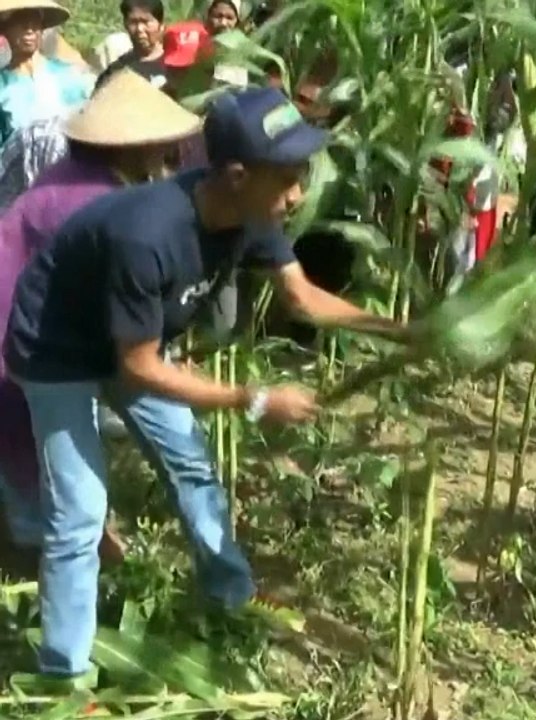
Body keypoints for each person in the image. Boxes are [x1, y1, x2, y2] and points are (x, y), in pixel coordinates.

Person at [3, 85, 409, 690]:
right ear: (238, 174)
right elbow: (139, 368)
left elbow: (301, 298)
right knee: (80, 513)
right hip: (55, 348)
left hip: (126, 342)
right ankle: (64, 678)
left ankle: (230, 596)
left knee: (191, 466)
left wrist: (404, 331)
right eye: (289, 177)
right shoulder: (148, 234)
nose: (299, 192)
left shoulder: (256, 215)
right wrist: (254, 398)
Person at [0, 69, 197, 582]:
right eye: (158, 144)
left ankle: (38, 541)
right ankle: (31, 561)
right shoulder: (98, 200)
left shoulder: (76, 175)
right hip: (17, 327)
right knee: (28, 437)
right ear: (134, 147)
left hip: (27, 315)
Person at [0, 0, 92, 144]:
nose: (29, 29)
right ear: (5, 29)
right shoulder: (2, 86)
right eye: (21, 21)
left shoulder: (68, 75)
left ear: (42, 28)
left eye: (35, 21)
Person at [95, 0, 167, 89]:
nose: (139, 29)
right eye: (133, 22)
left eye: (146, 22)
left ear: (161, 25)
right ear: (125, 24)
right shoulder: (116, 71)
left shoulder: (174, 67)